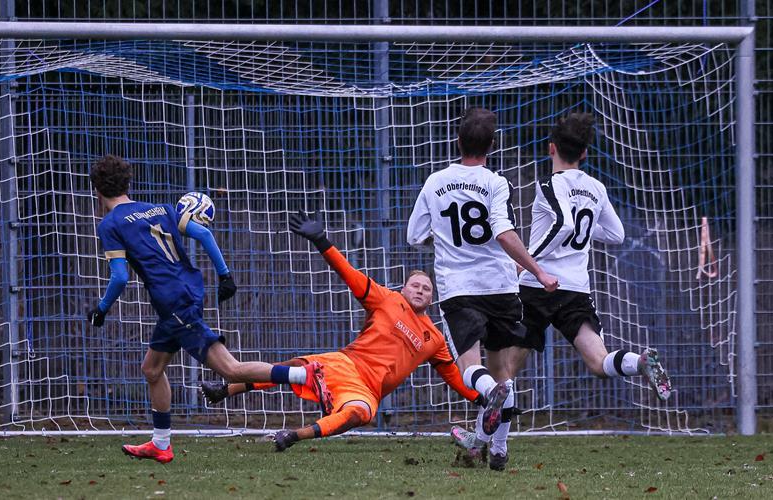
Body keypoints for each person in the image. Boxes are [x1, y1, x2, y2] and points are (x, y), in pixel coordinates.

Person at [450, 112, 673, 464]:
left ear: (551, 148)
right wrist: (580, 242)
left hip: (539, 288)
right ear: (584, 154)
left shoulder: (550, 184)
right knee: (599, 361)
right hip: (576, 289)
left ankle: (492, 445)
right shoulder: (596, 188)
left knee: (502, 372)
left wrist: (530, 262)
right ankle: (639, 361)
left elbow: (563, 223)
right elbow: (615, 234)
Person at [87, 155, 332, 464]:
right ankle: (161, 443)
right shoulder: (160, 209)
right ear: (129, 183)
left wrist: (102, 308)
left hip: (173, 302)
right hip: (186, 293)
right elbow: (203, 233)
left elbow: (120, 275)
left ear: (96, 190)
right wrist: (224, 275)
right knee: (151, 369)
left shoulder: (110, 224)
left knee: (230, 370)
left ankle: (305, 374)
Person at [201, 211, 489, 452]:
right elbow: (348, 273)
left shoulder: (434, 338)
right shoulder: (386, 298)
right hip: (344, 363)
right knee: (292, 367)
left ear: (431, 298)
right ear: (404, 288)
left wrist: (484, 398)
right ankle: (225, 390)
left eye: (427, 289)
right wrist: (321, 240)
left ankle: (293, 435)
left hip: (365, 389)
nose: (421, 290)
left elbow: (453, 376)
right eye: (416, 285)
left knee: (358, 414)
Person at [406, 107, 558, 471]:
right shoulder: (496, 182)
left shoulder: (434, 182)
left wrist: (444, 241)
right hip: (501, 286)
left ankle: (491, 395)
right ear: (492, 144)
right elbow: (503, 231)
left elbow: (414, 236)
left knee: (470, 368)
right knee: (502, 367)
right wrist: (537, 271)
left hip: (460, 289)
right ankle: (500, 450)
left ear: (458, 140)